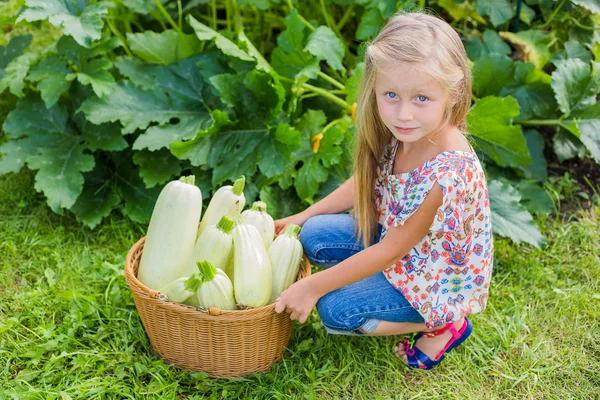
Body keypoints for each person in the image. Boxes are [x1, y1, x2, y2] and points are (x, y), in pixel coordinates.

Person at [273, 11, 494, 370]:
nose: (403, 113)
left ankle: (444, 324)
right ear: (375, 87)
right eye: (391, 94)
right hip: (401, 250)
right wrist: (300, 216)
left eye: (421, 98)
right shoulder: (407, 130)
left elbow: (391, 252)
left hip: (429, 279)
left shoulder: (447, 174)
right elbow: (367, 181)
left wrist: (312, 288)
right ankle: (369, 286)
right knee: (310, 234)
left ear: (451, 95)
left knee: (335, 310)